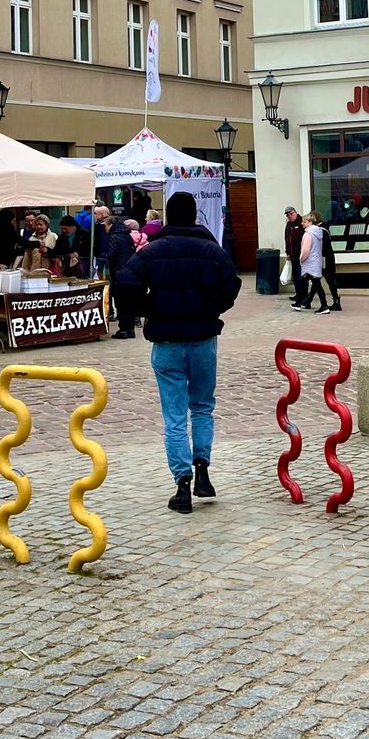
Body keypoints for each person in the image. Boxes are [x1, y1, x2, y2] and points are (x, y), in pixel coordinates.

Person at [117, 190, 241, 514]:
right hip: (203, 339)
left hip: (168, 342)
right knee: (202, 407)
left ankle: (182, 484)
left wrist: (150, 308)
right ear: (195, 214)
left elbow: (124, 284)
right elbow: (233, 284)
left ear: (169, 217)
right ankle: (203, 471)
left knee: (174, 417)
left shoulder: (153, 251)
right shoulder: (211, 249)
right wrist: (212, 308)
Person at [105, 215, 138, 337]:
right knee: (129, 302)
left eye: (106, 225)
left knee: (120, 302)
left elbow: (111, 255)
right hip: (130, 272)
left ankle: (123, 329)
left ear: (111, 225)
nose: (105, 228)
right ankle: (130, 329)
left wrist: (105, 258)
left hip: (118, 273)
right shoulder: (127, 236)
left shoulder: (113, 237)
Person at [297, 211, 330, 313]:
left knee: (316, 285)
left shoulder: (308, 234)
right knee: (305, 282)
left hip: (309, 263)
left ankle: (324, 306)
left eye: (305, 222)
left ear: (310, 223)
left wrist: (301, 259)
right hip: (315, 262)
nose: (302, 223)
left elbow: (306, 250)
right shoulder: (318, 232)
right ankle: (298, 302)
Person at [284, 206, 306, 308]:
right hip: (292, 255)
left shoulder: (301, 222)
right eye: (288, 215)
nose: (290, 216)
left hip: (300, 255)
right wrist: (287, 252)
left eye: (291, 214)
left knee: (301, 276)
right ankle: (298, 294)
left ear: (296, 212)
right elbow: (287, 239)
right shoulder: (289, 224)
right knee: (296, 277)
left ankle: (303, 297)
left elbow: (303, 239)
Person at [319, 217, 342, 313]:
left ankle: (336, 302)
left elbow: (323, 247)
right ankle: (308, 300)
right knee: (317, 280)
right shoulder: (323, 230)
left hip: (326, 260)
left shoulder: (322, 231)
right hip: (326, 259)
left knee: (328, 280)